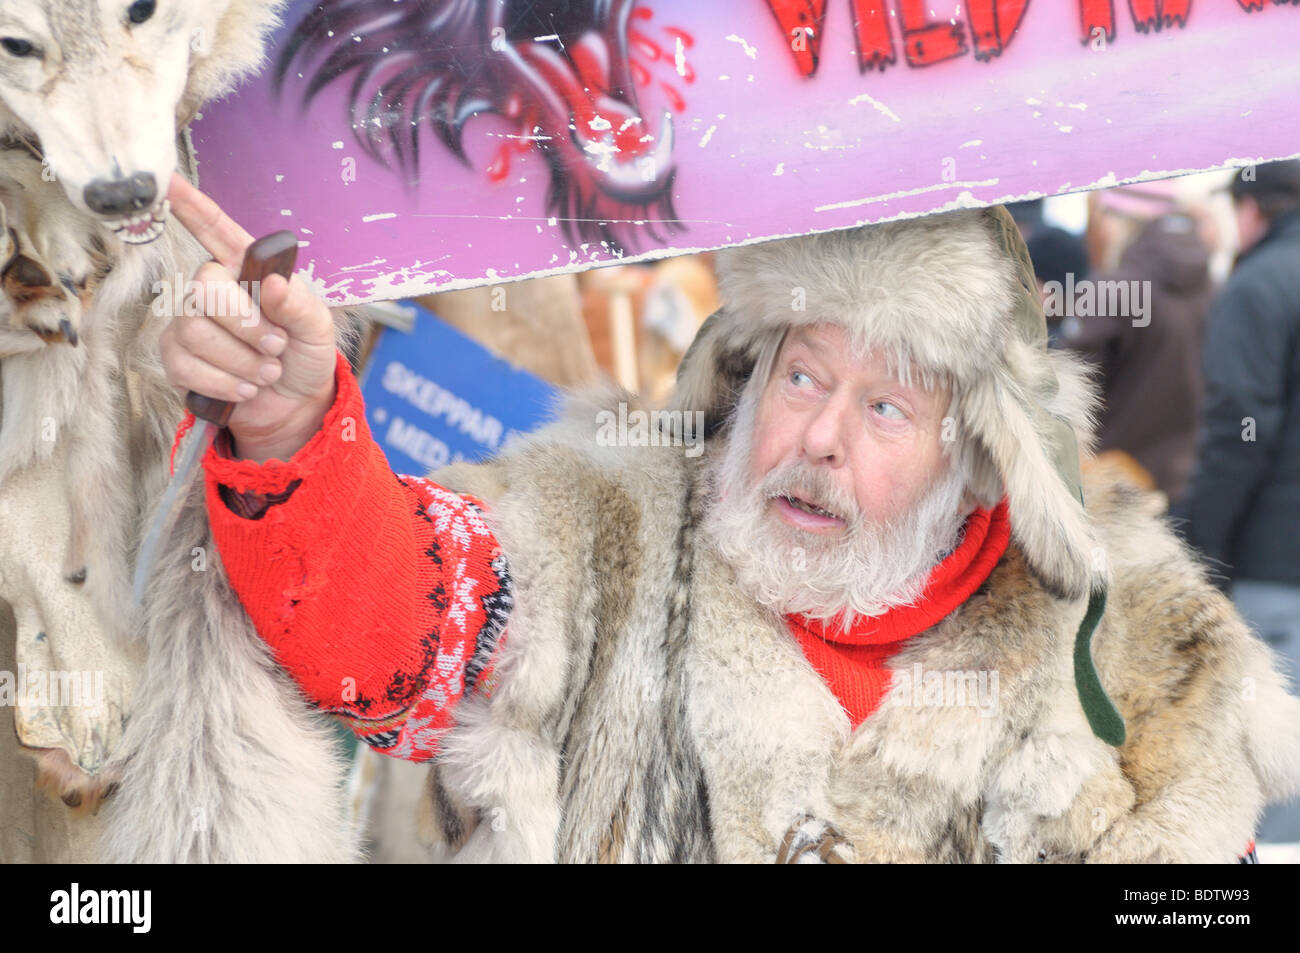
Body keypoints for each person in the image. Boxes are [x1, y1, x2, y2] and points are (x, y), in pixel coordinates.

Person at [157, 174, 1300, 863]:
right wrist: (295, 421)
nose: (818, 438)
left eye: (886, 403)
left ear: (981, 456)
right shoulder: (598, 533)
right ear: (744, 374)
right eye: (801, 377)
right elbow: (391, 623)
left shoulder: (1143, 656)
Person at [1184, 159, 1300, 844]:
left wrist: (1198, 550)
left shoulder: (1259, 286)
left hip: (1273, 560)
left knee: (1273, 771)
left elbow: (1238, 431)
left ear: (1251, 208)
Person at [1059, 205, 1214, 505]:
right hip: (1186, 478)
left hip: (1108, 483)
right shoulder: (1215, 288)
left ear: (1120, 220)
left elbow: (1067, 384)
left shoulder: (1111, 288)